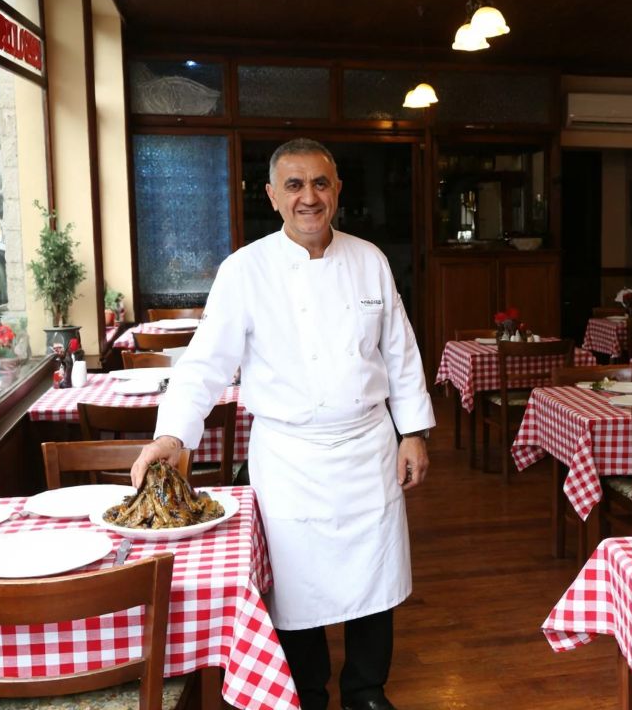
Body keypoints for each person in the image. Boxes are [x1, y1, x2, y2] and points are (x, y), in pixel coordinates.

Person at [133, 138, 433, 710]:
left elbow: (400, 352)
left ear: (338, 189)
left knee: (377, 579)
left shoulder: (370, 259)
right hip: (290, 457)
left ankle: (368, 691)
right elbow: (204, 364)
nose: (309, 197)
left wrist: (412, 431)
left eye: (320, 183)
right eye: (294, 185)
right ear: (272, 195)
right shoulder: (245, 270)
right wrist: (172, 435)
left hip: (367, 445)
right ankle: (309, 694)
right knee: (295, 590)